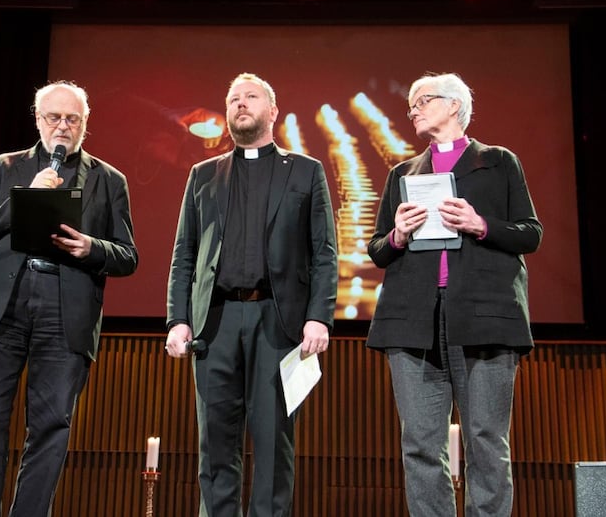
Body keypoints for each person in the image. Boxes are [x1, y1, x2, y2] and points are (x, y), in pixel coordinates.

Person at [0, 80, 138, 516]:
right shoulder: (3, 168)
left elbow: (127, 255)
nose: (62, 126)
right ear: (37, 120)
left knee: (51, 428)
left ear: (84, 126)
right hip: (2, 308)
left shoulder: (110, 181)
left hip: (64, 310)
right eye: (53, 117)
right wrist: (25, 199)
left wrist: (91, 248)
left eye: (72, 119)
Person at [366, 72, 542, 516]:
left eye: (422, 101)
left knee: (486, 439)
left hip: (483, 318)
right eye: (411, 105)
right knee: (421, 446)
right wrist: (398, 236)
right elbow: (377, 249)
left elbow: (530, 234)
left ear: (455, 105)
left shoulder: (499, 162)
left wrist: (480, 224)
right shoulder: (402, 173)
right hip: (414, 322)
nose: (414, 110)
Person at [164, 72, 338, 517]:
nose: (241, 104)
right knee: (216, 442)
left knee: (273, 441)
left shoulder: (305, 171)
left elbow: (324, 251)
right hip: (215, 324)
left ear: (272, 111)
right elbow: (185, 251)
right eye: (234, 99)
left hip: (277, 323)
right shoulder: (203, 174)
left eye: (251, 97)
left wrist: (319, 316)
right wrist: (178, 318)